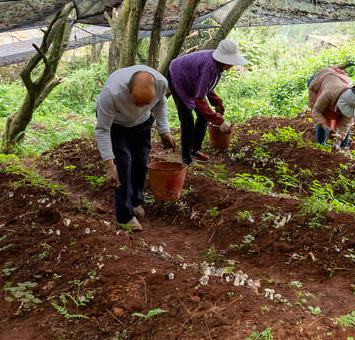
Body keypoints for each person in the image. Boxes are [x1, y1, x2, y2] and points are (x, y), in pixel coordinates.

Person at [95, 65, 175, 232]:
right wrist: (110, 165)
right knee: (122, 164)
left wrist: (164, 130)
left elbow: (160, 102)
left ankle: (136, 201)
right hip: (116, 125)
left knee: (141, 160)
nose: (140, 107)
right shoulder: (111, 94)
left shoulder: (161, 83)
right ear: (127, 89)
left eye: (145, 103)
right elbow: (102, 129)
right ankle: (124, 216)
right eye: (137, 102)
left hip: (142, 123)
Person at [167, 39, 246, 165]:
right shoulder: (209, 67)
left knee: (203, 117)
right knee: (187, 121)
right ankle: (186, 158)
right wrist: (219, 120)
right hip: (178, 76)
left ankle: (194, 149)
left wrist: (217, 103)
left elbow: (206, 87)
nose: (232, 66)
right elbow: (199, 98)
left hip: (191, 79)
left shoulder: (217, 66)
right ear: (223, 59)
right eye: (230, 62)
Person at [307, 66, 355, 148]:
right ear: (340, 100)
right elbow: (317, 111)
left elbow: (346, 122)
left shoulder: (353, 99)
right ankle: (320, 145)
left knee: (346, 119)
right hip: (319, 79)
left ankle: (343, 146)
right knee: (323, 114)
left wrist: (338, 142)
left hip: (336, 79)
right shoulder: (329, 93)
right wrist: (326, 128)